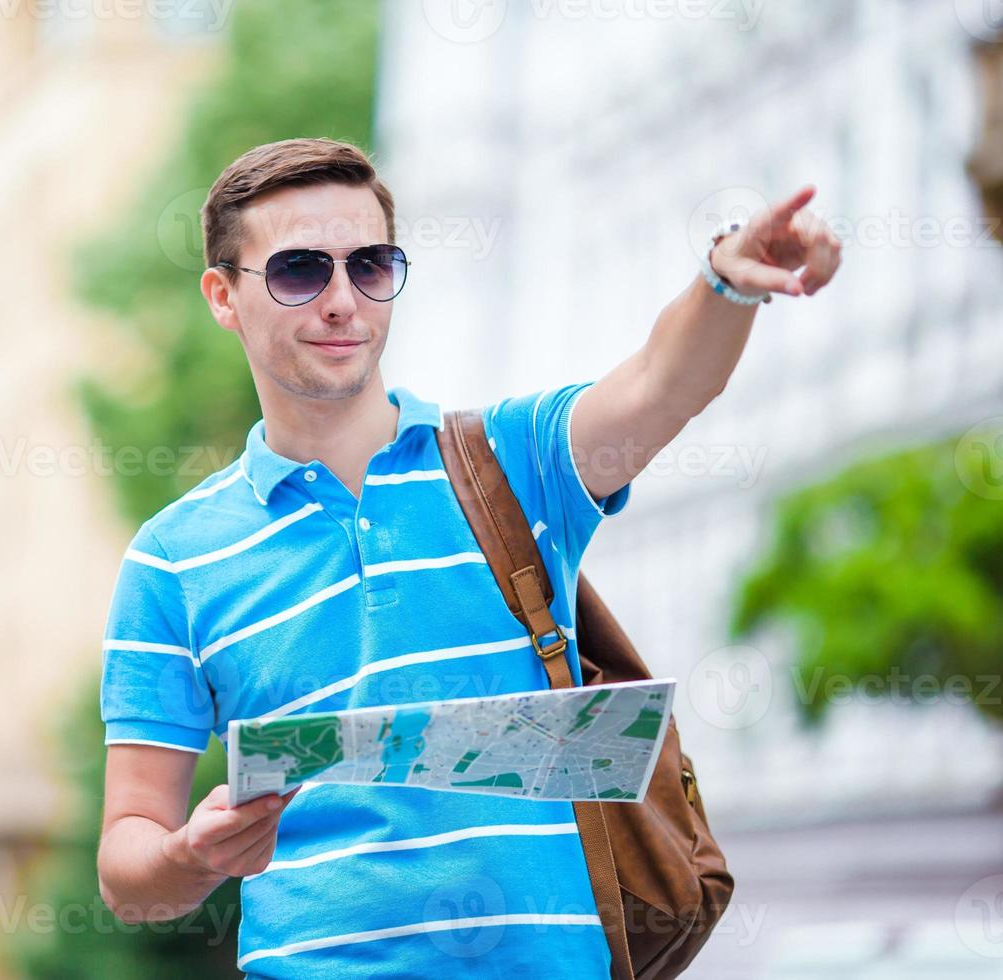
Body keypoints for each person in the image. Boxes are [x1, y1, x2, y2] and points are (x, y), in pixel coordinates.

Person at [95, 137, 841, 977]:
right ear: (223, 297)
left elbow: (659, 384)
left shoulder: (511, 462)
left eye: (370, 266)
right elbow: (130, 871)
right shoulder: (172, 560)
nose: (343, 300)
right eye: (300, 271)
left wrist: (728, 282)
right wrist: (194, 855)